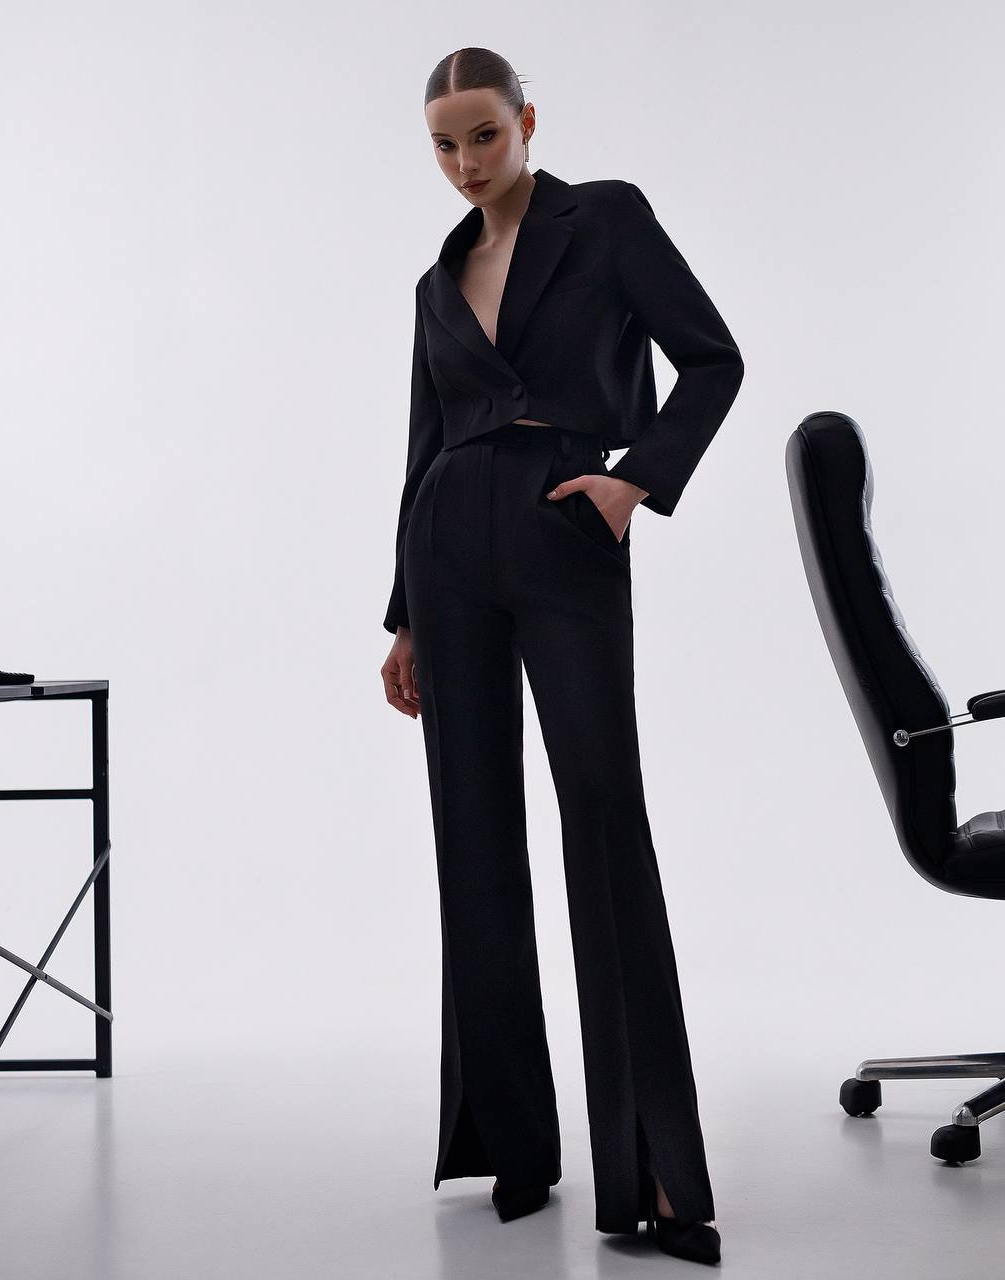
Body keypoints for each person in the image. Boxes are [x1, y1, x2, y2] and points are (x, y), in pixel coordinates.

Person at [379, 46, 744, 1267]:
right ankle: (513, 1143)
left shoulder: (606, 220)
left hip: (563, 520)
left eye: (483, 134)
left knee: (600, 813)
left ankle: (655, 1172)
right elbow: (420, 440)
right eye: (444, 143)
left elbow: (713, 357)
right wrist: (402, 617)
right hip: (447, 543)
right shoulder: (438, 279)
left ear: (526, 120)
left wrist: (633, 480)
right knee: (472, 836)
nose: (465, 162)